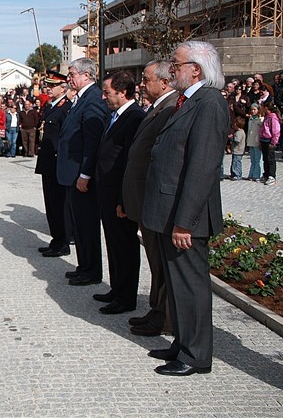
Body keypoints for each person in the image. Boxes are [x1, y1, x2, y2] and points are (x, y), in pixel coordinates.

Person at [142, 40, 228, 376]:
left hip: (184, 216)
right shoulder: (187, 102)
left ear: (196, 69)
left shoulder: (209, 103)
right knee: (177, 285)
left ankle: (195, 356)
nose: (172, 70)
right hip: (168, 209)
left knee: (190, 286)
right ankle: (182, 343)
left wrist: (185, 223)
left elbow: (202, 167)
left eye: (176, 65)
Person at [121, 60, 177, 337]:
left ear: (164, 82)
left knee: (162, 263)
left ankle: (164, 317)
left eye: (146, 79)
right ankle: (156, 310)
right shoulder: (156, 107)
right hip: (144, 199)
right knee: (155, 261)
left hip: (155, 199)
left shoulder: (170, 109)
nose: (141, 84)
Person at [93, 71, 145, 315]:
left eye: (107, 92)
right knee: (113, 244)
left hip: (120, 196)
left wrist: (124, 200)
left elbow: (129, 162)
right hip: (107, 192)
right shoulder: (115, 115)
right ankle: (116, 288)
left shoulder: (134, 117)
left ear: (123, 92)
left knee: (124, 246)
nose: (104, 97)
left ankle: (126, 297)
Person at [58, 57, 108, 286]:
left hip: (82, 175)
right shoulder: (81, 98)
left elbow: (92, 141)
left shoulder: (93, 99)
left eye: (72, 74)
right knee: (79, 225)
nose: (69, 78)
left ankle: (91, 271)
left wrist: (85, 174)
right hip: (73, 173)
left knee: (87, 226)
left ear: (87, 75)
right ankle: (84, 266)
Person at [35, 72, 73, 257]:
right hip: (47, 162)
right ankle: (55, 240)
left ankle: (63, 242)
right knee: (50, 205)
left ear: (63, 88)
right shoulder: (50, 106)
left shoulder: (66, 107)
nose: (48, 88)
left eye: (52, 86)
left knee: (60, 205)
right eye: (47, 85)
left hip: (58, 163)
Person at [259, 101, 280, 185]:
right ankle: (266, 174)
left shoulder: (273, 118)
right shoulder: (266, 117)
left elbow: (276, 131)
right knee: (265, 159)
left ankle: (272, 176)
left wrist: (274, 142)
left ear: (266, 108)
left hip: (269, 141)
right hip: (264, 140)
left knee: (270, 159)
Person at [245, 103, 264, 181]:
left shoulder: (261, 119)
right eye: (251, 109)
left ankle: (257, 175)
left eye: (254, 109)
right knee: (253, 159)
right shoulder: (251, 119)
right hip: (250, 141)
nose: (253, 111)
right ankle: (251, 174)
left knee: (257, 159)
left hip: (257, 141)